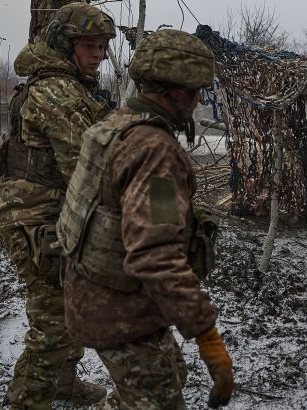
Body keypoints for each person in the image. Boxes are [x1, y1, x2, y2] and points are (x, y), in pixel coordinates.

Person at [56, 29, 234, 409]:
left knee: (164, 377)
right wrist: (208, 335)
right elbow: (155, 255)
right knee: (158, 398)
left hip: (91, 293)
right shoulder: (154, 151)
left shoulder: (113, 125)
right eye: (197, 89)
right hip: (120, 311)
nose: (200, 98)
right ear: (178, 91)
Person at [0, 3, 116, 408]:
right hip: (35, 219)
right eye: (89, 46)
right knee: (53, 322)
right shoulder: (58, 92)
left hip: (52, 212)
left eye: (102, 46)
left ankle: (64, 384)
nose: (98, 54)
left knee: (72, 301)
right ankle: (27, 399)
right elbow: (87, 170)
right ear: (66, 45)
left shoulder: (69, 85)